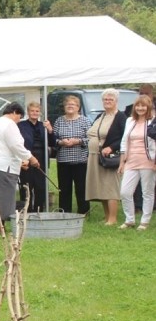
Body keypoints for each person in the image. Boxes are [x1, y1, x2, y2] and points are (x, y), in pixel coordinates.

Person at [0, 103, 40, 234]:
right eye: (19, 117)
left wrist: (19, 162)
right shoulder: (9, 124)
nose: (19, 120)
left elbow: (4, 147)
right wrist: (31, 158)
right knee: (3, 199)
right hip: (2, 167)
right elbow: (16, 146)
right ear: (15, 112)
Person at [85, 88, 124, 225]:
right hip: (94, 156)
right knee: (100, 186)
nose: (107, 102)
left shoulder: (120, 117)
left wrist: (111, 147)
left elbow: (125, 137)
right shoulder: (100, 116)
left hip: (110, 158)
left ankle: (113, 218)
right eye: (105, 99)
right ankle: (107, 217)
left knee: (110, 186)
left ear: (116, 101)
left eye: (110, 99)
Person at [118, 95, 156, 230]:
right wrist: (122, 162)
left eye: (143, 106)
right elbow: (124, 141)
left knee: (147, 192)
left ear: (149, 107)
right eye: (138, 105)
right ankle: (130, 219)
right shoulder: (130, 121)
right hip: (131, 160)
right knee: (125, 192)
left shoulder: (153, 121)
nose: (140, 108)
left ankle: (145, 221)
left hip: (148, 160)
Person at [49, 95, 90, 214]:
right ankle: (65, 211)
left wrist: (78, 141)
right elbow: (53, 139)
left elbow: (91, 138)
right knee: (64, 188)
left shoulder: (85, 121)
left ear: (78, 107)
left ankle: (84, 211)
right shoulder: (59, 120)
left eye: (73, 104)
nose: (70, 106)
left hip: (81, 160)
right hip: (63, 160)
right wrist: (61, 142)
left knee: (81, 187)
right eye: (68, 104)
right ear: (64, 107)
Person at [17, 101, 52, 212]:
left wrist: (50, 130)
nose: (34, 113)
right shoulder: (21, 125)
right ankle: (26, 210)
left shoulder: (44, 126)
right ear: (28, 112)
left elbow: (52, 142)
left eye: (37, 111)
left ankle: (38, 210)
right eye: (32, 111)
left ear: (40, 113)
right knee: (26, 186)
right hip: (26, 158)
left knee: (40, 187)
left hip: (41, 158)